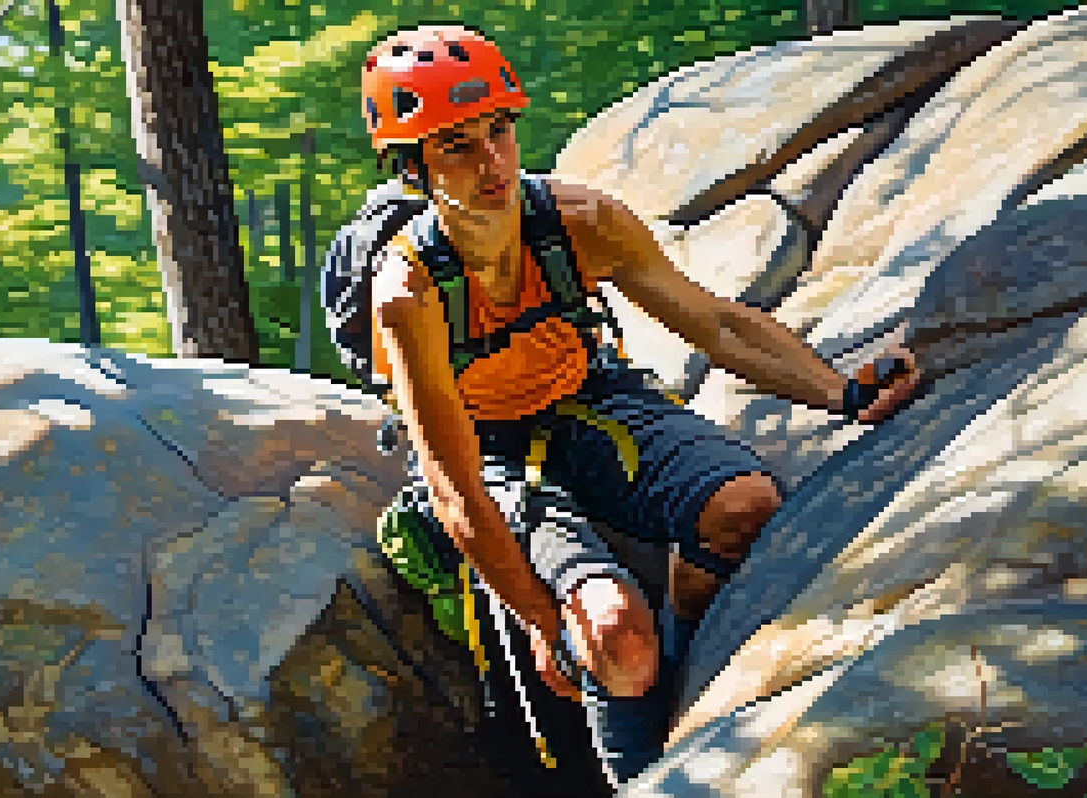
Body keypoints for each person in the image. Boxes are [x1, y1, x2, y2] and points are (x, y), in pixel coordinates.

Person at [359, 24, 920, 782]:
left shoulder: (580, 223)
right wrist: (539, 618)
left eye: (499, 131)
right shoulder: (408, 293)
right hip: (484, 448)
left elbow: (718, 325)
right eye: (457, 146)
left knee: (747, 507)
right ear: (413, 168)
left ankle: (685, 656)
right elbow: (459, 491)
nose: (492, 161)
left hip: (589, 399)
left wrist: (841, 392)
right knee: (614, 631)